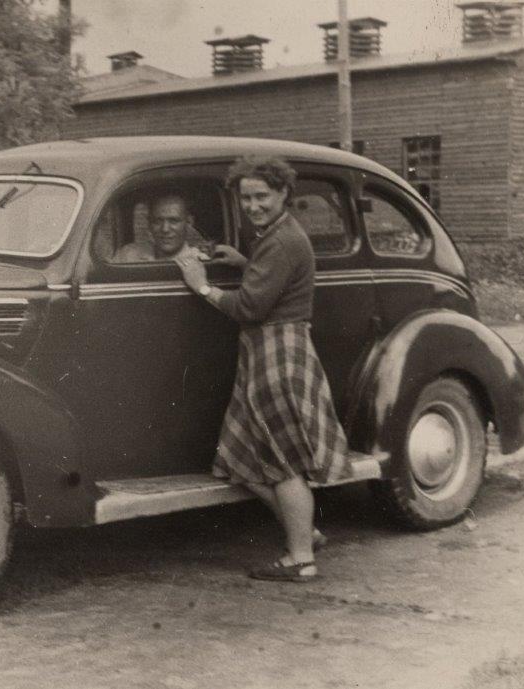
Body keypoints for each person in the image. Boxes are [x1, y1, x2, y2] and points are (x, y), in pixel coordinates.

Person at [174, 156, 349, 583]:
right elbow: (271, 276)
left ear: (284, 194)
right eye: (246, 197)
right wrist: (242, 261)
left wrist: (200, 284)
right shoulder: (274, 237)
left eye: (262, 197)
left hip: (278, 351)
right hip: (266, 350)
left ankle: (301, 558)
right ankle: (303, 531)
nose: (253, 205)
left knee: (282, 461)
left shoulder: (283, 240)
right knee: (239, 459)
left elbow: (250, 306)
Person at [114, 193, 211, 262]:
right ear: (149, 224)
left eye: (174, 221)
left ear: (189, 223)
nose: (165, 229)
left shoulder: (200, 262)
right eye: (157, 221)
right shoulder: (127, 256)